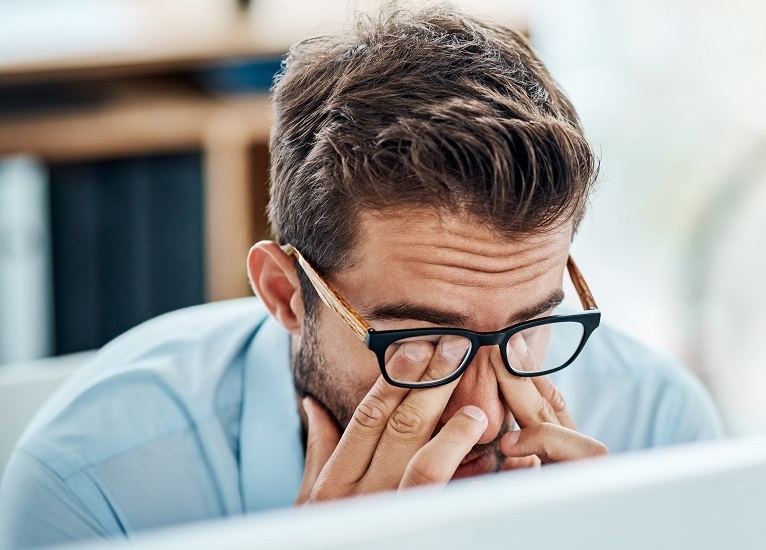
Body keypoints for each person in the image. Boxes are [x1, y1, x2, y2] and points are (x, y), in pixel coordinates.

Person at [0, 5, 722, 548]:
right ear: (285, 293)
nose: (488, 413)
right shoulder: (94, 488)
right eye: (425, 341)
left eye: (530, 327)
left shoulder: (657, 428)